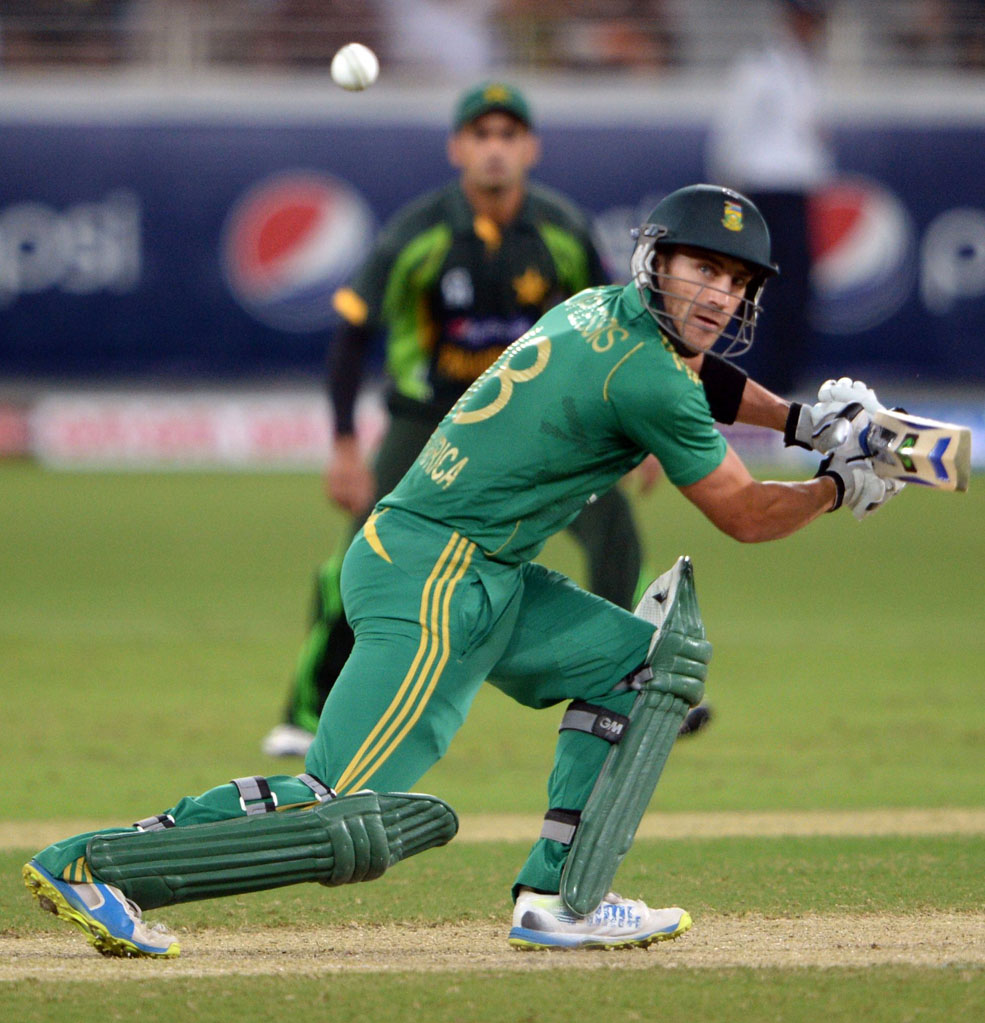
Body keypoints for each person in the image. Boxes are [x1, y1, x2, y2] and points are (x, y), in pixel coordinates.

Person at [23, 183, 903, 958]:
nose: (719, 292)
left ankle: (560, 901)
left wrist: (800, 422)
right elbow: (744, 515)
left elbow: (697, 376)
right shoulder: (646, 379)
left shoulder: (604, 309)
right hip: (432, 574)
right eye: (701, 269)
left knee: (644, 664)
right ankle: (95, 864)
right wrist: (836, 484)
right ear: (657, 263)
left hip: (487, 572)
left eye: (737, 280)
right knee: (340, 810)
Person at [262, 80, 669, 761]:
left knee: (615, 533)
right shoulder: (417, 232)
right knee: (360, 554)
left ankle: (618, 685)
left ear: (529, 148)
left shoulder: (561, 230)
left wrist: (645, 430)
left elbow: (618, 330)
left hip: (535, 423)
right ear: (458, 148)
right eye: (480, 135)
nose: (494, 149)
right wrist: (342, 445)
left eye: (508, 135)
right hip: (427, 421)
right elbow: (350, 334)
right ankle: (306, 710)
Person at [704, 0, 834, 394]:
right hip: (766, 191)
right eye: (806, 18)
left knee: (796, 289)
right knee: (764, 288)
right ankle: (761, 379)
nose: (812, 27)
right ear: (791, 19)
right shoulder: (759, 66)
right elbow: (732, 129)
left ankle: (785, 379)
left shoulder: (804, 68)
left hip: (795, 191)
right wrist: (729, 192)